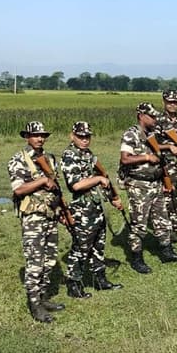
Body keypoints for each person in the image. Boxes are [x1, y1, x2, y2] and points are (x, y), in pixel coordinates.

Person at [119, 103, 177, 272]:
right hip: (139, 185)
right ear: (141, 115)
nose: (155, 119)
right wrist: (146, 157)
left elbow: (156, 150)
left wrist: (167, 148)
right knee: (139, 224)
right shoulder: (131, 134)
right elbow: (125, 159)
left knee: (162, 220)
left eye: (156, 116)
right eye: (151, 116)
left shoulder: (151, 134)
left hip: (155, 183)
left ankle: (166, 251)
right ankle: (136, 258)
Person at [8, 121, 65, 322]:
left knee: (49, 260)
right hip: (33, 217)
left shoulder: (49, 158)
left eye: (43, 135)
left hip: (50, 215)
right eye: (36, 135)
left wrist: (62, 210)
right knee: (35, 262)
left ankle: (43, 297)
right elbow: (18, 190)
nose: (40, 138)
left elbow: (56, 186)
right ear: (27, 137)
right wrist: (41, 181)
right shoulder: (19, 159)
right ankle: (34, 305)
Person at [60, 121, 123, 296]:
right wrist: (97, 180)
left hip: (95, 207)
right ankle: (74, 284)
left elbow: (103, 176)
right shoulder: (69, 155)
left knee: (98, 246)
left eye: (87, 136)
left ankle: (100, 280)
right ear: (72, 136)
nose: (85, 140)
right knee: (81, 247)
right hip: (82, 209)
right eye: (81, 136)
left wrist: (113, 197)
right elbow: (75, 185)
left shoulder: (87, 154)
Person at [155, 89, 177, 241]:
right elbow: (152, 144)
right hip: (167, 166)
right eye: (169, 102)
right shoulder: (158, 121)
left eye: (174, 102)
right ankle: (166, 231)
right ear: (164, 102)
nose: (172, 105)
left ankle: (174, 229)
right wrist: (168, 147)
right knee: (167, 199)